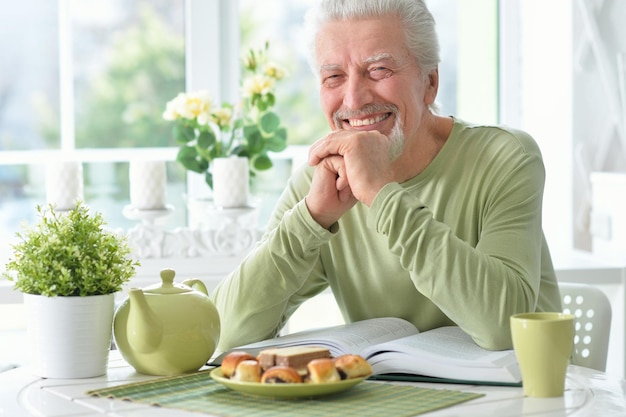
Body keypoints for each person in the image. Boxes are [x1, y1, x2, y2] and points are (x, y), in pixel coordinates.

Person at [210, 0, 562, 352]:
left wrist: (381, 192)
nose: (354, 98)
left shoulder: (505, 157)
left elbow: (505, 328)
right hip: (388, 401)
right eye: (333, 76)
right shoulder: (320, 184)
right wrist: (312, 218)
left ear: (430, 83)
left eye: (378, 70)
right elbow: (223, 333)